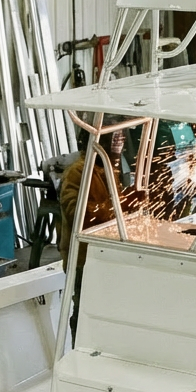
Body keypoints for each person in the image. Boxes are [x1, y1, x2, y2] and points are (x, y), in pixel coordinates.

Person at [58, 128, 127, 341]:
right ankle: (80, 351)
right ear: (98, 141)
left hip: (103, 253)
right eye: (115, 136)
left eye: (122, 136)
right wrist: (118, 206)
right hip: (83, 258)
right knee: (84, 310)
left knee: (105, 309)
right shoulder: (78, 172)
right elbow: (77, 213)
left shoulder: (107, 168)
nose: (121, 141)